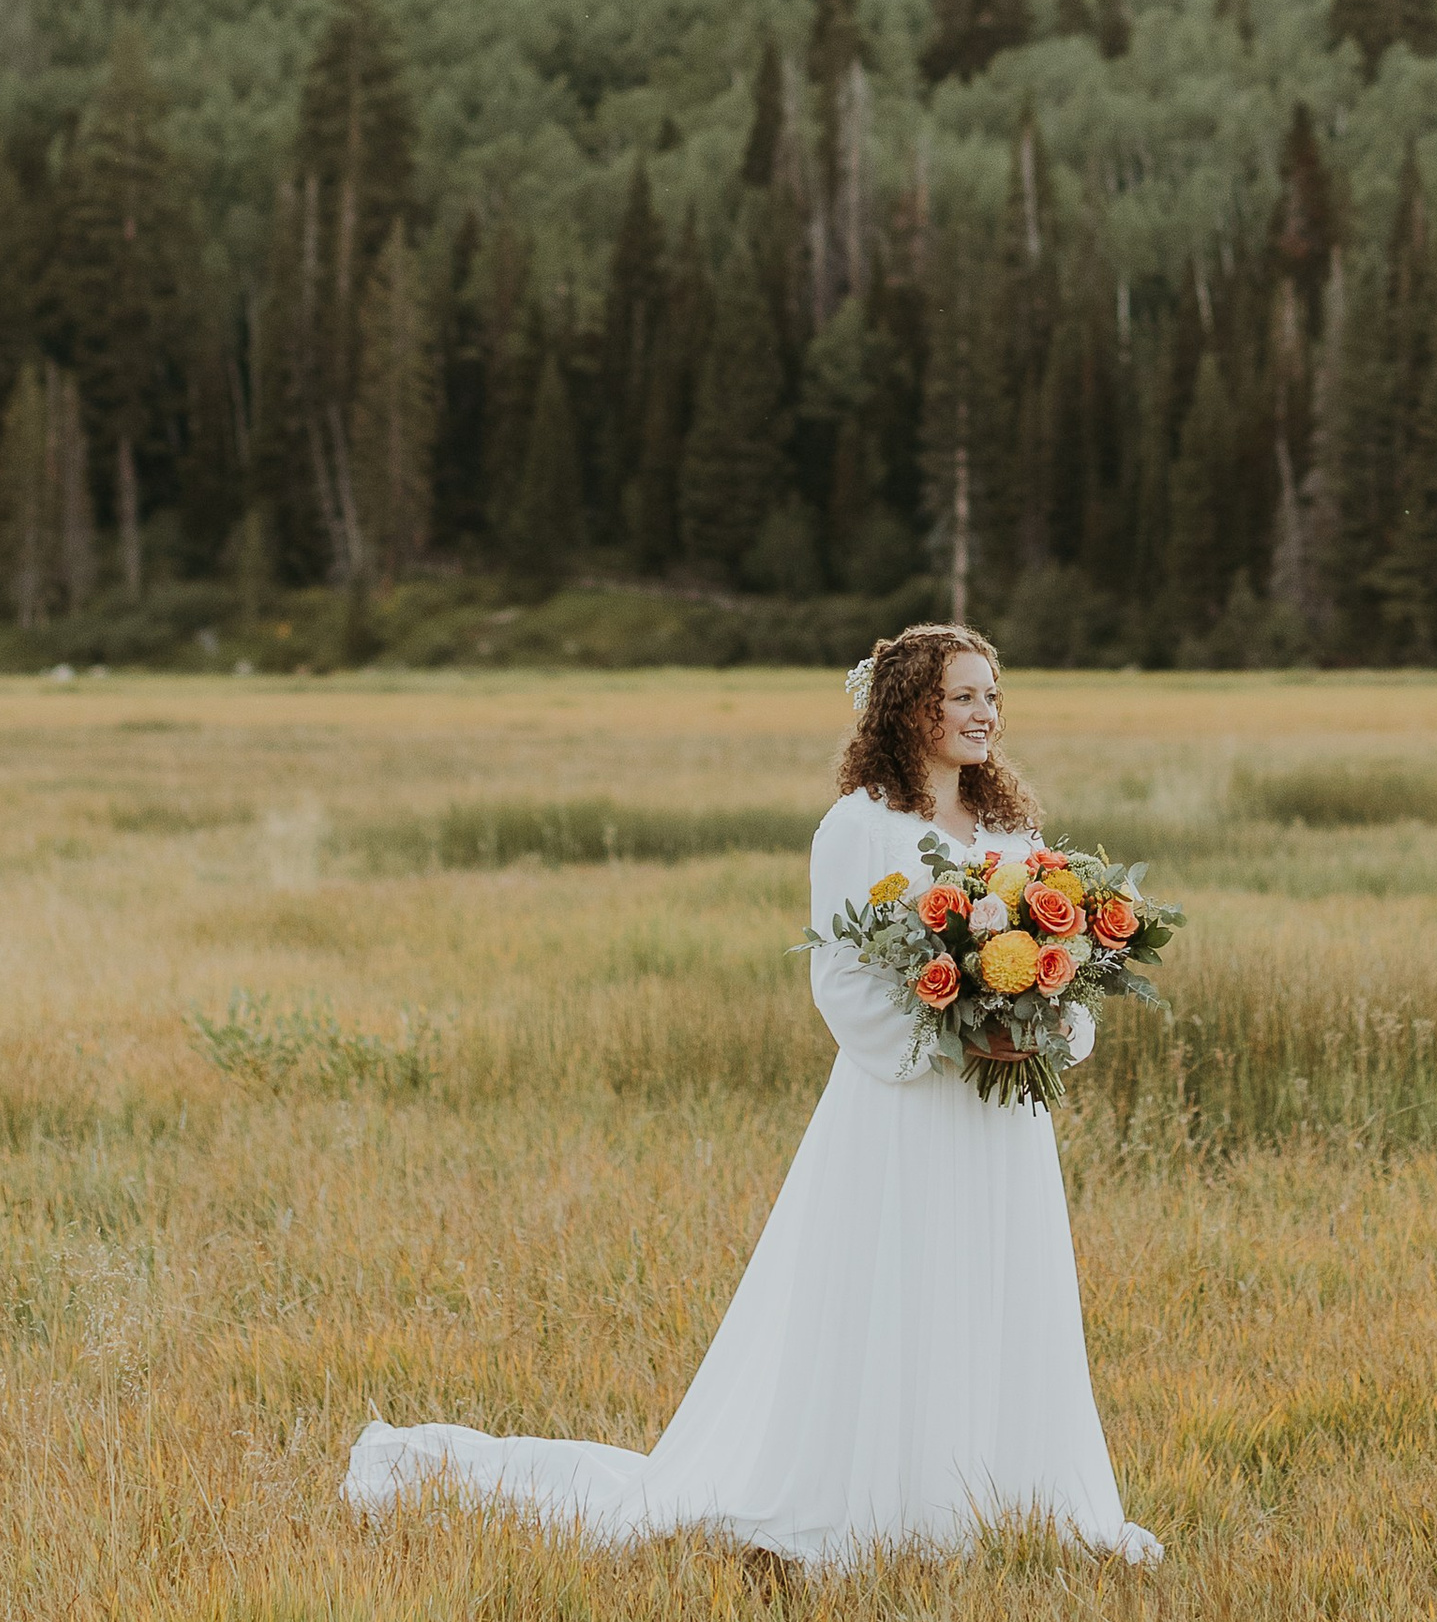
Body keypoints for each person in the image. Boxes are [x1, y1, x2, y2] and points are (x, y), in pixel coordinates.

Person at [344, 621, 1158, 1564]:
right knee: (901, 1288)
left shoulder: (1015, 831)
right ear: (910, 708)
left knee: (999, 1290)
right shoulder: (859, 826)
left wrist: (1042, 1028)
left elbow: (1067, 966)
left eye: (993, 696)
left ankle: (1007, 1505)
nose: (985, 714)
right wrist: (957, 1034)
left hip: (1002, 1118)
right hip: (905, 1109)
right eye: (963, 696)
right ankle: (892, 1506)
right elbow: (845, 982)